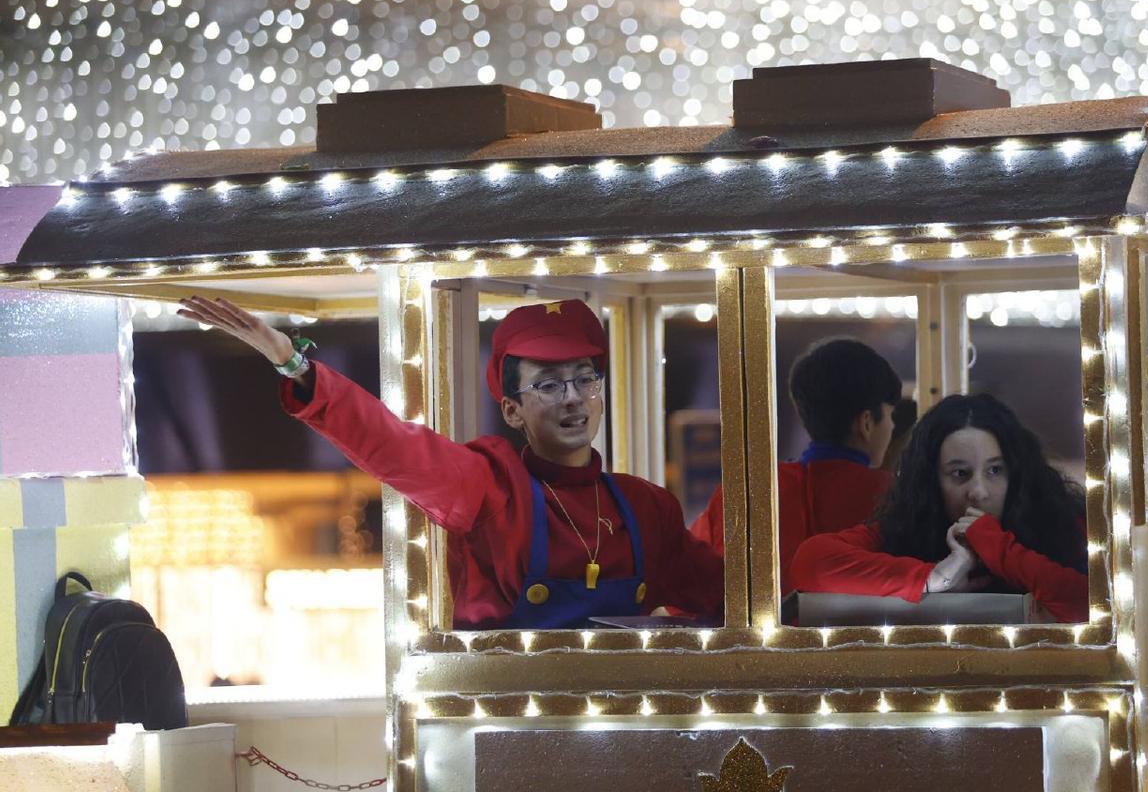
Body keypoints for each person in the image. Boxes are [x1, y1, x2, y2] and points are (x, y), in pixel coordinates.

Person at [178, 296, 723, 629]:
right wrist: (293, 363)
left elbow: (727, 598)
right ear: (511, 409)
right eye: (549, 384)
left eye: (585, 378)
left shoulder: (647, 507)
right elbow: (393, 444)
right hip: (507, 741)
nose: (574, 398)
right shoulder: (492, 486)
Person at [787, 393, 1088, 623]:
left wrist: (1000, 549)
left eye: (995, 470)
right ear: (932, 482)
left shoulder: (1059, 521)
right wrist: (935, 577)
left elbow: (1087, 604)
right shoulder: (908, 528)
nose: (978, 492)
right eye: (960, 474)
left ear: (1017, 472)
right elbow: (811, 563)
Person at [689, 338, 902, 593]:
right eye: (890, 415)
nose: (892, 426)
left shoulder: (747, 492)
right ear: (866, 422)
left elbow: (694, 583)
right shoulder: (895, 495)